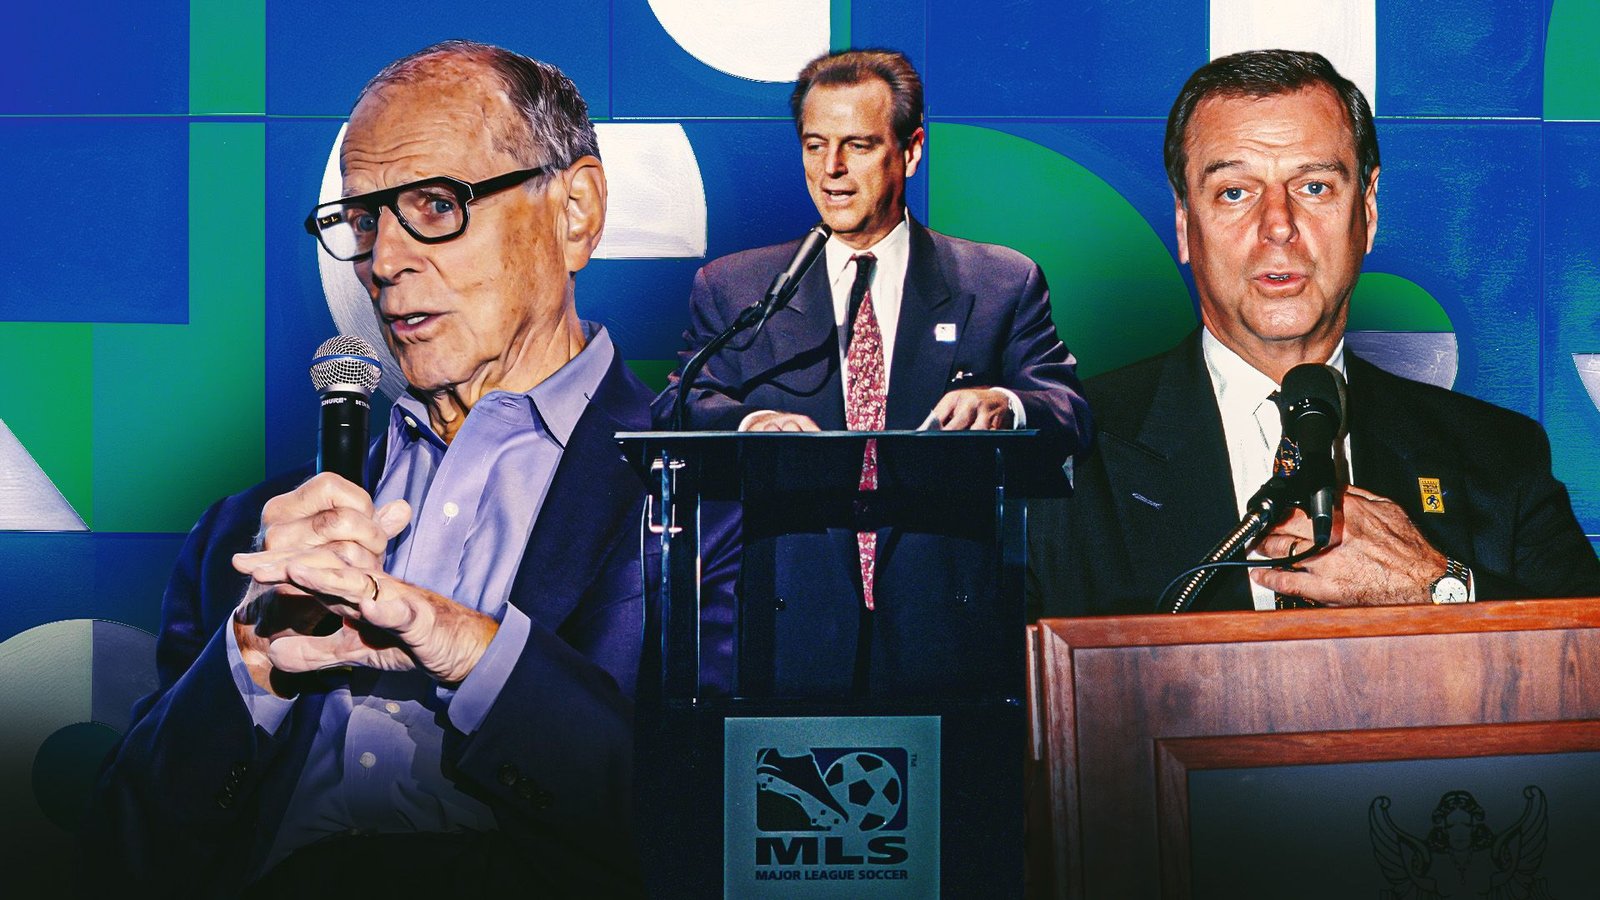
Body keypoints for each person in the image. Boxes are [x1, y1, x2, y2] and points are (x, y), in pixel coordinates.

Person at [86, 41, 651, 897]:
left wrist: (472, 654)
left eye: (434, 203)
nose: (383, 262)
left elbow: (729, 819)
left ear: (574, 210)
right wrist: (253, 663)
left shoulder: (712, 490)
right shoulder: (247, 537)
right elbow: (126, 857)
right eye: (362, 221)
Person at [1029, 49, 1600, 616]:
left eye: (1314, 188)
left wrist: (1437, 588)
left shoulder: (1497, 455)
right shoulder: (1066, 451)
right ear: (1184, 223)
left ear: (1367, 213)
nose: (1278, 225)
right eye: (1235, 191)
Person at [653, 49, 1089, 695]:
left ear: (910, 151)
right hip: (788, 634)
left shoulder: (998, 282)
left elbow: (1067, 408)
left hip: (949, 629)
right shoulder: (738, 287)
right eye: (814, 145)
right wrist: (750, 421)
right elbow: (677, 407)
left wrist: (1006, 403)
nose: (831, 171)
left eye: (857, 145)